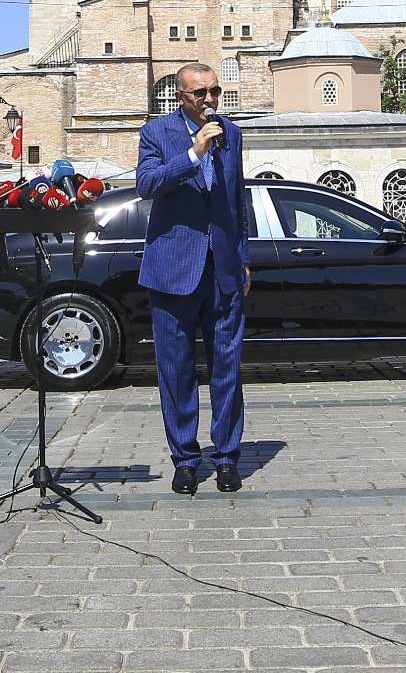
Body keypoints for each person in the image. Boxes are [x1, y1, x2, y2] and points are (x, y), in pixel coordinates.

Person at [137, 62, 251, 496]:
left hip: (222, 270)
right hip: (172, 272)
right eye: (199, 93)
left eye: (214, 92)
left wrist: (242, 259)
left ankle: (226, 459)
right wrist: (193, 155)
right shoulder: (157, 134)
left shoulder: (232, 134)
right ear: (179, 97)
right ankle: (185, 459)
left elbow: (237, 199)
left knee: (228, 369)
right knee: (176, 371)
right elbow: (146, 183)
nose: (209, 100)